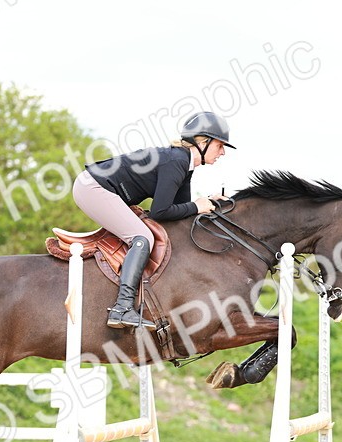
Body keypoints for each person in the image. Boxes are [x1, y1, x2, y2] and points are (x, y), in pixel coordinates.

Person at [72, 111, 235, 329]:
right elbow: (160, 212)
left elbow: (179, 215)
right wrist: (197, 205)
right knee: (142, 237)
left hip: (99, 187)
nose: (222, 152)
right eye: (220, 145)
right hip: (93, 188)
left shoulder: (184, 164)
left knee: (149, 234)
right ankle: (122, 308)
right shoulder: (176, 161)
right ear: (202, 142)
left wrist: (208, 203)